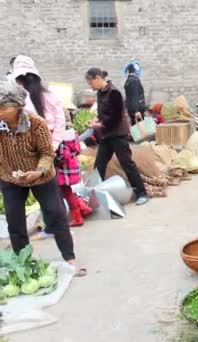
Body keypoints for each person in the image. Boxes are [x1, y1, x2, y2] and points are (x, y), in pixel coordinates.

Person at [0, 80, 78, 265]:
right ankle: (24, 263)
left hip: (41, 176)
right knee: (14, 221)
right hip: (10, 178)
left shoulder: (36, 123)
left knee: (56, 214)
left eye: (3, 107)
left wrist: (38, 171)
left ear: (18, 106)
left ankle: (69, 259)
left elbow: (46, 153)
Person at [11, 55, 92, 229]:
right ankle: (73, 216)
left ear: (19, 79)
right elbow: (60, 121)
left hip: (40, 151)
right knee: (61, 188)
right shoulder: (50, 95)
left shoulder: (22, 99)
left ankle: (57, 224)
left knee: (51, 190)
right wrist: (54, 145)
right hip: (58, 148)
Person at [85, 68, 149, 205]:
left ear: (97, 78)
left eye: (90, 82)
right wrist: (97, 121)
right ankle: (94, 196)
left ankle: (142, 193)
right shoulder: (100, 93)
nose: (90, 86)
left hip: (118, 134)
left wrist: (98, 125)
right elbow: (104, 114)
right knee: (99, 165)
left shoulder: (114, 93)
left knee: (127, 163)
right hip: (107, 135)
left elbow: (115, 117)